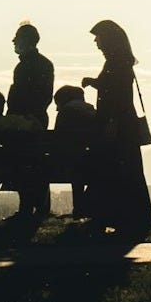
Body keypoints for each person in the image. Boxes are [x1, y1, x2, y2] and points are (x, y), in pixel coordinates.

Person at [81, 20, 151, 240]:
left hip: (117, 126)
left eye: (98, 37)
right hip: (123, 125)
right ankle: (129, 219)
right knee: (124, 172)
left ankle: (112, 218)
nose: (96, 42)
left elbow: (117, 94)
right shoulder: (121, 61)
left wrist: (112, 122)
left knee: (113, 171)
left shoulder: (116, 62)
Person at [7, 22, 54, 220]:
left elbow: (18, 96)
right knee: (37, 162)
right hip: (38, 118)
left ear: (25, 42)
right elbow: (46, 96)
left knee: (24, 163)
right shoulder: (45, 63)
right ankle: (40, 207)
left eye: (16, 39)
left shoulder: (23, 66)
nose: (13, 43)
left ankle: (27, 207)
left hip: (23, 121)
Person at [52, 85, 98, 219]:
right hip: (96, 161)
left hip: (69, 163)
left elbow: (57, 139)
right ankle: (82, 208)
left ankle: (80, 208)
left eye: (57, 104)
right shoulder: (93, 112)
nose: (56, 108)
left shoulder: (65, 113)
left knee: (76, 169)